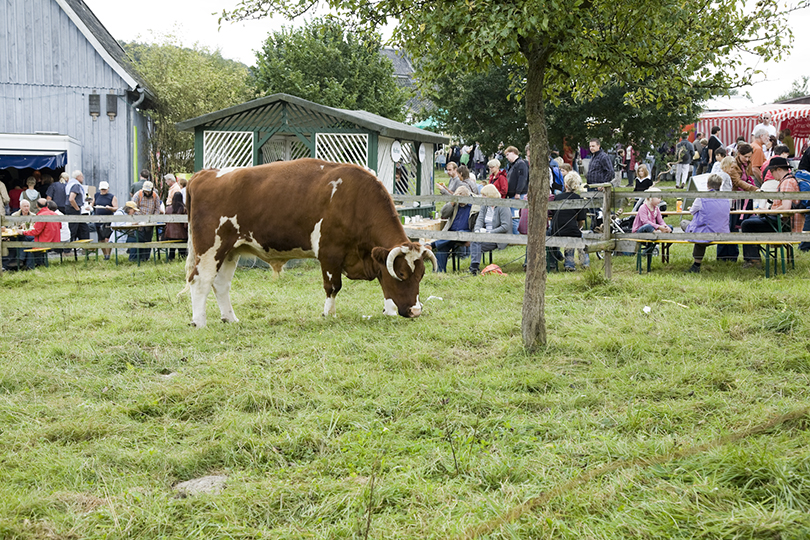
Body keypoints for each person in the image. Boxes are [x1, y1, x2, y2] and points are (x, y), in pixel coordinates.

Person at [741, 157, 798, 269]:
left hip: (781, 225)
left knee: (746, 224)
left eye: (772, 172)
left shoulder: (787, 183)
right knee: (750, 221)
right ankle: (754, 258)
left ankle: (753, 260)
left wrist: (768, 211)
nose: (771, 175)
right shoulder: (788, 180)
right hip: (781, 222)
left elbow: (786, 207)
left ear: (778, 169)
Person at [679, 175, 730, 273]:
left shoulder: (701, 198)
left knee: (686, 224)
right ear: (720, 185)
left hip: (707, 232)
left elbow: (692, 211)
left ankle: (696, 264)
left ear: (707, 185)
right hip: (722, 231)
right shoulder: (726, 198)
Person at [425, 186, 473, 272]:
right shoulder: (455, 204)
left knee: (457, 233)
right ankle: (438, 272)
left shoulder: (474, 206)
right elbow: (443, 214)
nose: (460, 204)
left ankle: (432, 245)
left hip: (466, 233)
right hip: (451, 234)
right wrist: (452, 202)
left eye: (462, 201)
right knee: (442, 247)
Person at [549, 171, 589, 271]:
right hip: (571, 231)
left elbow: (553, 215)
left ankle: (553, 262)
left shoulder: (556, 198)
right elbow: (582, 220)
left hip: (556, 230)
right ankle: (577, 263)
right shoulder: (579, 199)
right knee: (576, 234)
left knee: (569, 233)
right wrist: (578, 228)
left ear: (565, 185)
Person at [468, 184, 512, 275]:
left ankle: (473, 268)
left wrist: (490, 232)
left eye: (484, 195)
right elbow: (479, 220)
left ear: (491, 195)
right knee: (475, 240)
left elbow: (505, 226)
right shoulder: (485, 206)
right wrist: (477, 230)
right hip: (485, 235)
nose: (482, 198)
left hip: (498, 237)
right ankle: (474, 268)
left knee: (476, 243)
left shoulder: (503, 206)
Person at [18, 198, 61, 269]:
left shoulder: (41, 216)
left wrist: (23, 232)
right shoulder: (55, 214)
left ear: (37, 206)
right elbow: (60, 226)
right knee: (28, 239)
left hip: (44, 240)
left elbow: (36, 232)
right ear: (47, 205)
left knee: (27, 242)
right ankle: (37, 262)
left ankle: (27, 264)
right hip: (55, 240)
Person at [131, 180, 163, 261]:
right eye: (146, 191)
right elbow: (133, 207)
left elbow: (157, 208)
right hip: (140, 221)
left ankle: (146, 257)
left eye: (148, 191)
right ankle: (139, 257)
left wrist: (154, 218)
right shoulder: (138, 195)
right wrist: (140, 218)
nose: (147, 193)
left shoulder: (155, 196)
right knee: (140, 238)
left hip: (150, 221)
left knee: (148, 238)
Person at [93, 181, 118, 260]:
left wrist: (110, 208)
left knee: (108, 238)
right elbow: (92, 204)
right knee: (101, 239)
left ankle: (108, 254)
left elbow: (116, 208)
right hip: (98, 219)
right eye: (102, 189)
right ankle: (105, 255)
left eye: (104, 189)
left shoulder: (112, 197)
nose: (103, 191)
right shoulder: (96, 195)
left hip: (108, 219)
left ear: (108, 188)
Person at [64, 170, 90, 242]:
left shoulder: (70, 184)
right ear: (78, 177)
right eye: (82, 176)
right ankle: (67, 249)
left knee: (83, 228)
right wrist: (77, 208)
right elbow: (71, 199)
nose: (83, 178)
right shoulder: (75, 185)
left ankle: (85, 246)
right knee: (73, 229)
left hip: (72, 209)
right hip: (74, 209)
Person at [162, 192, 188, 261]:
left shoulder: (168, 209)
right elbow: (186, 225)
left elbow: (166, 222)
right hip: (181, 235)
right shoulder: (184, 209)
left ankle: (171, 258)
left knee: (172, 248)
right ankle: (183, 257)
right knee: (183, 250)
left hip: (169, 234)